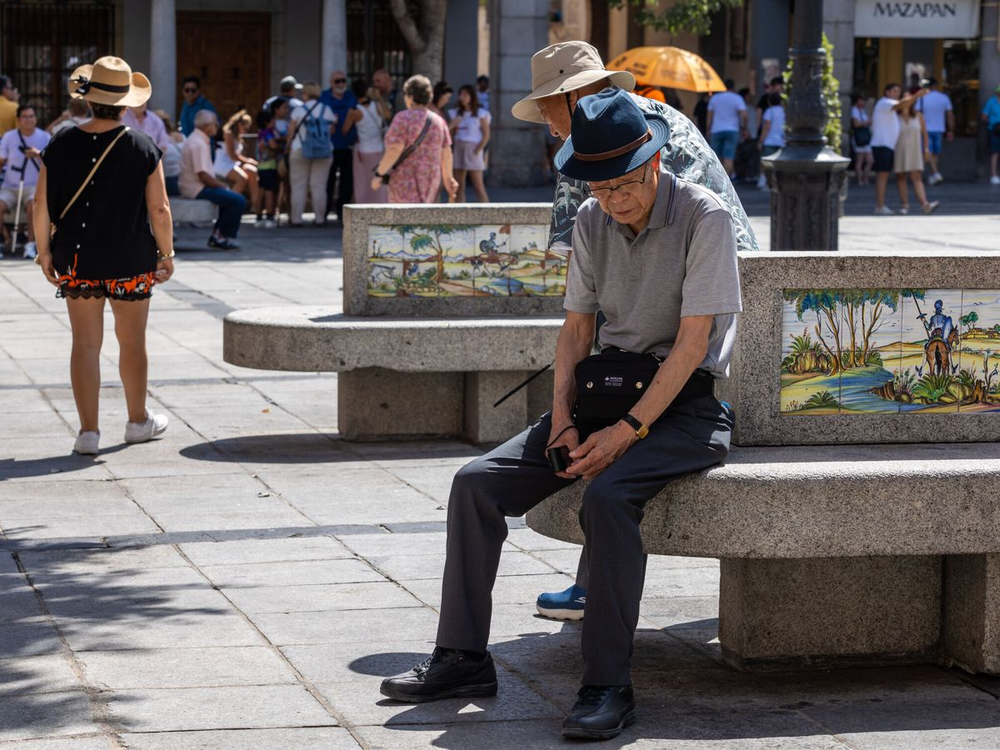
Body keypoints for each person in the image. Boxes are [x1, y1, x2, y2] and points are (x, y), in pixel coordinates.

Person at [380, 88, 741, 742]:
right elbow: (575, 332)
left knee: (606, 498)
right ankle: (462, 657)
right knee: (475, 485)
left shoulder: (702, 217)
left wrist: (628, 431)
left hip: (684, 407)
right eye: (599, 188)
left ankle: (607, 685)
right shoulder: (593, 222)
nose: (615, 199)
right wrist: (566, 418)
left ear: (655, 163)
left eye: (625, 184)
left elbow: (693, 345)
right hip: (604, 394)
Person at [503, 41, 759, 621]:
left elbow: (587, 285)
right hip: (733, 293)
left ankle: (593, 584)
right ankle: (592, 580)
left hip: (685, 319)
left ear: (573, 96)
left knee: (611, 416)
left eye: (547, 107)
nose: (546, 122)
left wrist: (576, 402)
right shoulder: (660, 118)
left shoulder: (588, 152)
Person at [32, 56, 174, 456]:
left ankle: (88, 432)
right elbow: (160, 209)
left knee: (85, 344)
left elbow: (39, 204)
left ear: (89, 100)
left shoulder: (59, 142)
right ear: (126, 103)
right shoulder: (144, 145)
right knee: (132, 342)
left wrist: (44, 251)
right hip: (130, 257)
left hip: (77, 259)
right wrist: (166, 254)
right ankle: (137, 421)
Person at [371, 75, 457, 204]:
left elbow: (394, 149)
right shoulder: (439, 121)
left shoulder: (402, 118)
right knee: (422, 218)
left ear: (410, 97)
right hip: (430, 180)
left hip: (404, 180)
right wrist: (448, 180)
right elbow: (446, 152)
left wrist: (379, 175)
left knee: (404, 219)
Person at [179, 109, 246, 249]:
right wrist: (222, 186)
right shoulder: (198, 143)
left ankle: (218, 234)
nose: (217, 126)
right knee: (237, 200)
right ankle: (220, 236)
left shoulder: (198, 139)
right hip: (196, 188)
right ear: (207, 126)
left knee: (231, 199)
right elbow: (203, 175)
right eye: (216, 124)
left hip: (196, 186)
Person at [0, 104, 50, 258]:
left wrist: (38, 154)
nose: (29, 120)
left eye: (32, 116)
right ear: (18, 120)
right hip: (10, 185)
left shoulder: (44, 137)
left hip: (33, 186)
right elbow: (1, 160)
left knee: (32, 207)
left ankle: (30, 245)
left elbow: (53, 163)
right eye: (25, 117)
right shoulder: (9, 136)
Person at [288, 81, 336, 226]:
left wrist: (287, 146)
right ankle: (320, 218)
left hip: (299, 149)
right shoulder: (326, 110)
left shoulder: (298, 111)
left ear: (306, 94)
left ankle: (296, 219)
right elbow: (332, 130)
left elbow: (291, 132)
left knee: (298, 185)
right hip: (324, 150)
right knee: (319, 185)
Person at [871, 82, 921, 215]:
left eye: (898, 92)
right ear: (886, 92)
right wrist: (916, 95)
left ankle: (880, 204)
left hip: (887, 146)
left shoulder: (889, 106)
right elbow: (901, 104)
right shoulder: (884, 103)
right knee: (882, 176)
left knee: (884, 176)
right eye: (894, 91)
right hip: (882, 145)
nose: (897, 94)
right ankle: (880, 205)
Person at [320, 71, 357, 224]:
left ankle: (342, 211)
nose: (341, 84)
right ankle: (326, 209)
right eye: (337, 81)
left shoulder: (351, 96)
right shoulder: (324, 97)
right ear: (331, 82)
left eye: (343, 81)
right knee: (327, 180)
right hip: (329, 146)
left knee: (346, 180)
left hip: (348, 146)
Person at [341, 80, 387, 204]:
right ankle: (381, 206)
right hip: (379, 149)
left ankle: (363, 207)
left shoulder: (354, 111)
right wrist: (379, 98)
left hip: (363, 151)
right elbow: (388, 115)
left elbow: (344, 130)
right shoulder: (377, 106)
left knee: (362, 182)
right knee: (379, 181)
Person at [894, 96, 940, 215]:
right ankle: (904, 205)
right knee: (901, 176)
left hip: (915, 149)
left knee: (916, 176)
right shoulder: (894, 115)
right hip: (899, 148)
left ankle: (925, 204)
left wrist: (926, 149)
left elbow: (925, 134)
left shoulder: (918, 115)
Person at [214, 110, 260, 219]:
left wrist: (249, 163)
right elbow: (232, 155)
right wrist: (249, 160)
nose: (246, 130)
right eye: (245, 128)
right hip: (223, 164)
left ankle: (256, 207)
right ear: (239, 124)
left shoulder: (238, 136)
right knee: (242, 177)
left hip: (234, 164)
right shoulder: (228, 133)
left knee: (252, 171)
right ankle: (230, 205)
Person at [448, 84, 491, 203]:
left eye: (465, 95)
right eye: (460, 94)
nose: (462, 97)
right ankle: (458, 214)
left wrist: (478, 149)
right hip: (459, 146)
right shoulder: (456, 113)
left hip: (473, 147)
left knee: (478, 185)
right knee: (458, 185)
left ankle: (488, 214)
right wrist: (453, 124)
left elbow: (486, 134)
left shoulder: (481, 114)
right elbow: (448, 131)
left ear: (471, 97)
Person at [706, 78, 747, 177]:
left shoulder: (714, 98)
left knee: (716, 157)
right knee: (729, 157)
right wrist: (744, 128)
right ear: (733, 87)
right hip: (732, 130)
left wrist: (708, 129)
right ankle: (727, 180)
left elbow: (709, 116)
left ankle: (717, 179)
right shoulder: (737, 98)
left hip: (716, 130)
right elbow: (744, 115)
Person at [916, 78, 953, 185]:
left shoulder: (922, 98)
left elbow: (917, 113)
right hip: (939, 128)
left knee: (929, 152)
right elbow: (950, 115)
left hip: (926, 129)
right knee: (933, 153)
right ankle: (934, 173)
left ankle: (934, 173)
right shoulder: (944, 98)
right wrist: (950, 130)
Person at [254, 108, 279, 226]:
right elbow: (273, 145)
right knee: (269, 192)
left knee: (261, 191)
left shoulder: (260, 133)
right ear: (267, 122)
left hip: (261, 167)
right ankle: (269, 217)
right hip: (269, 166)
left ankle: (258, 217)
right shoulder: (268, 133)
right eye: (273, 120)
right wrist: (280, 144)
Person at [756, 92, 785, 189]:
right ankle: (777, 183)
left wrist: (761, 140)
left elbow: (766, 127)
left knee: (766, 163)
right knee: (779, 164)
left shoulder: (769, 111)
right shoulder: (784, 111)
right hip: (781, 141)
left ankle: (765, 182)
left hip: (770, 141)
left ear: (769, 102)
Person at [850, 94, 874, 186]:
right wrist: (866, 122)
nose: (864, 102)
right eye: (862, 100)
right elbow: (856, 124)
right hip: (859, 138)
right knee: (860, 160)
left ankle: (865, 178)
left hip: (866, 138)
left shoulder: (862, 110)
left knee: (870, 160)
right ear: (858, 100)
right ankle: (859, 180)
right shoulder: (854, 110)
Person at [982, 84, 1000, 186]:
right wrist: (993, 122)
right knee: (995, 152)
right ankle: (993, 175)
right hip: (995, 130)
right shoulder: (991, 102)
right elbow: (984, 116)